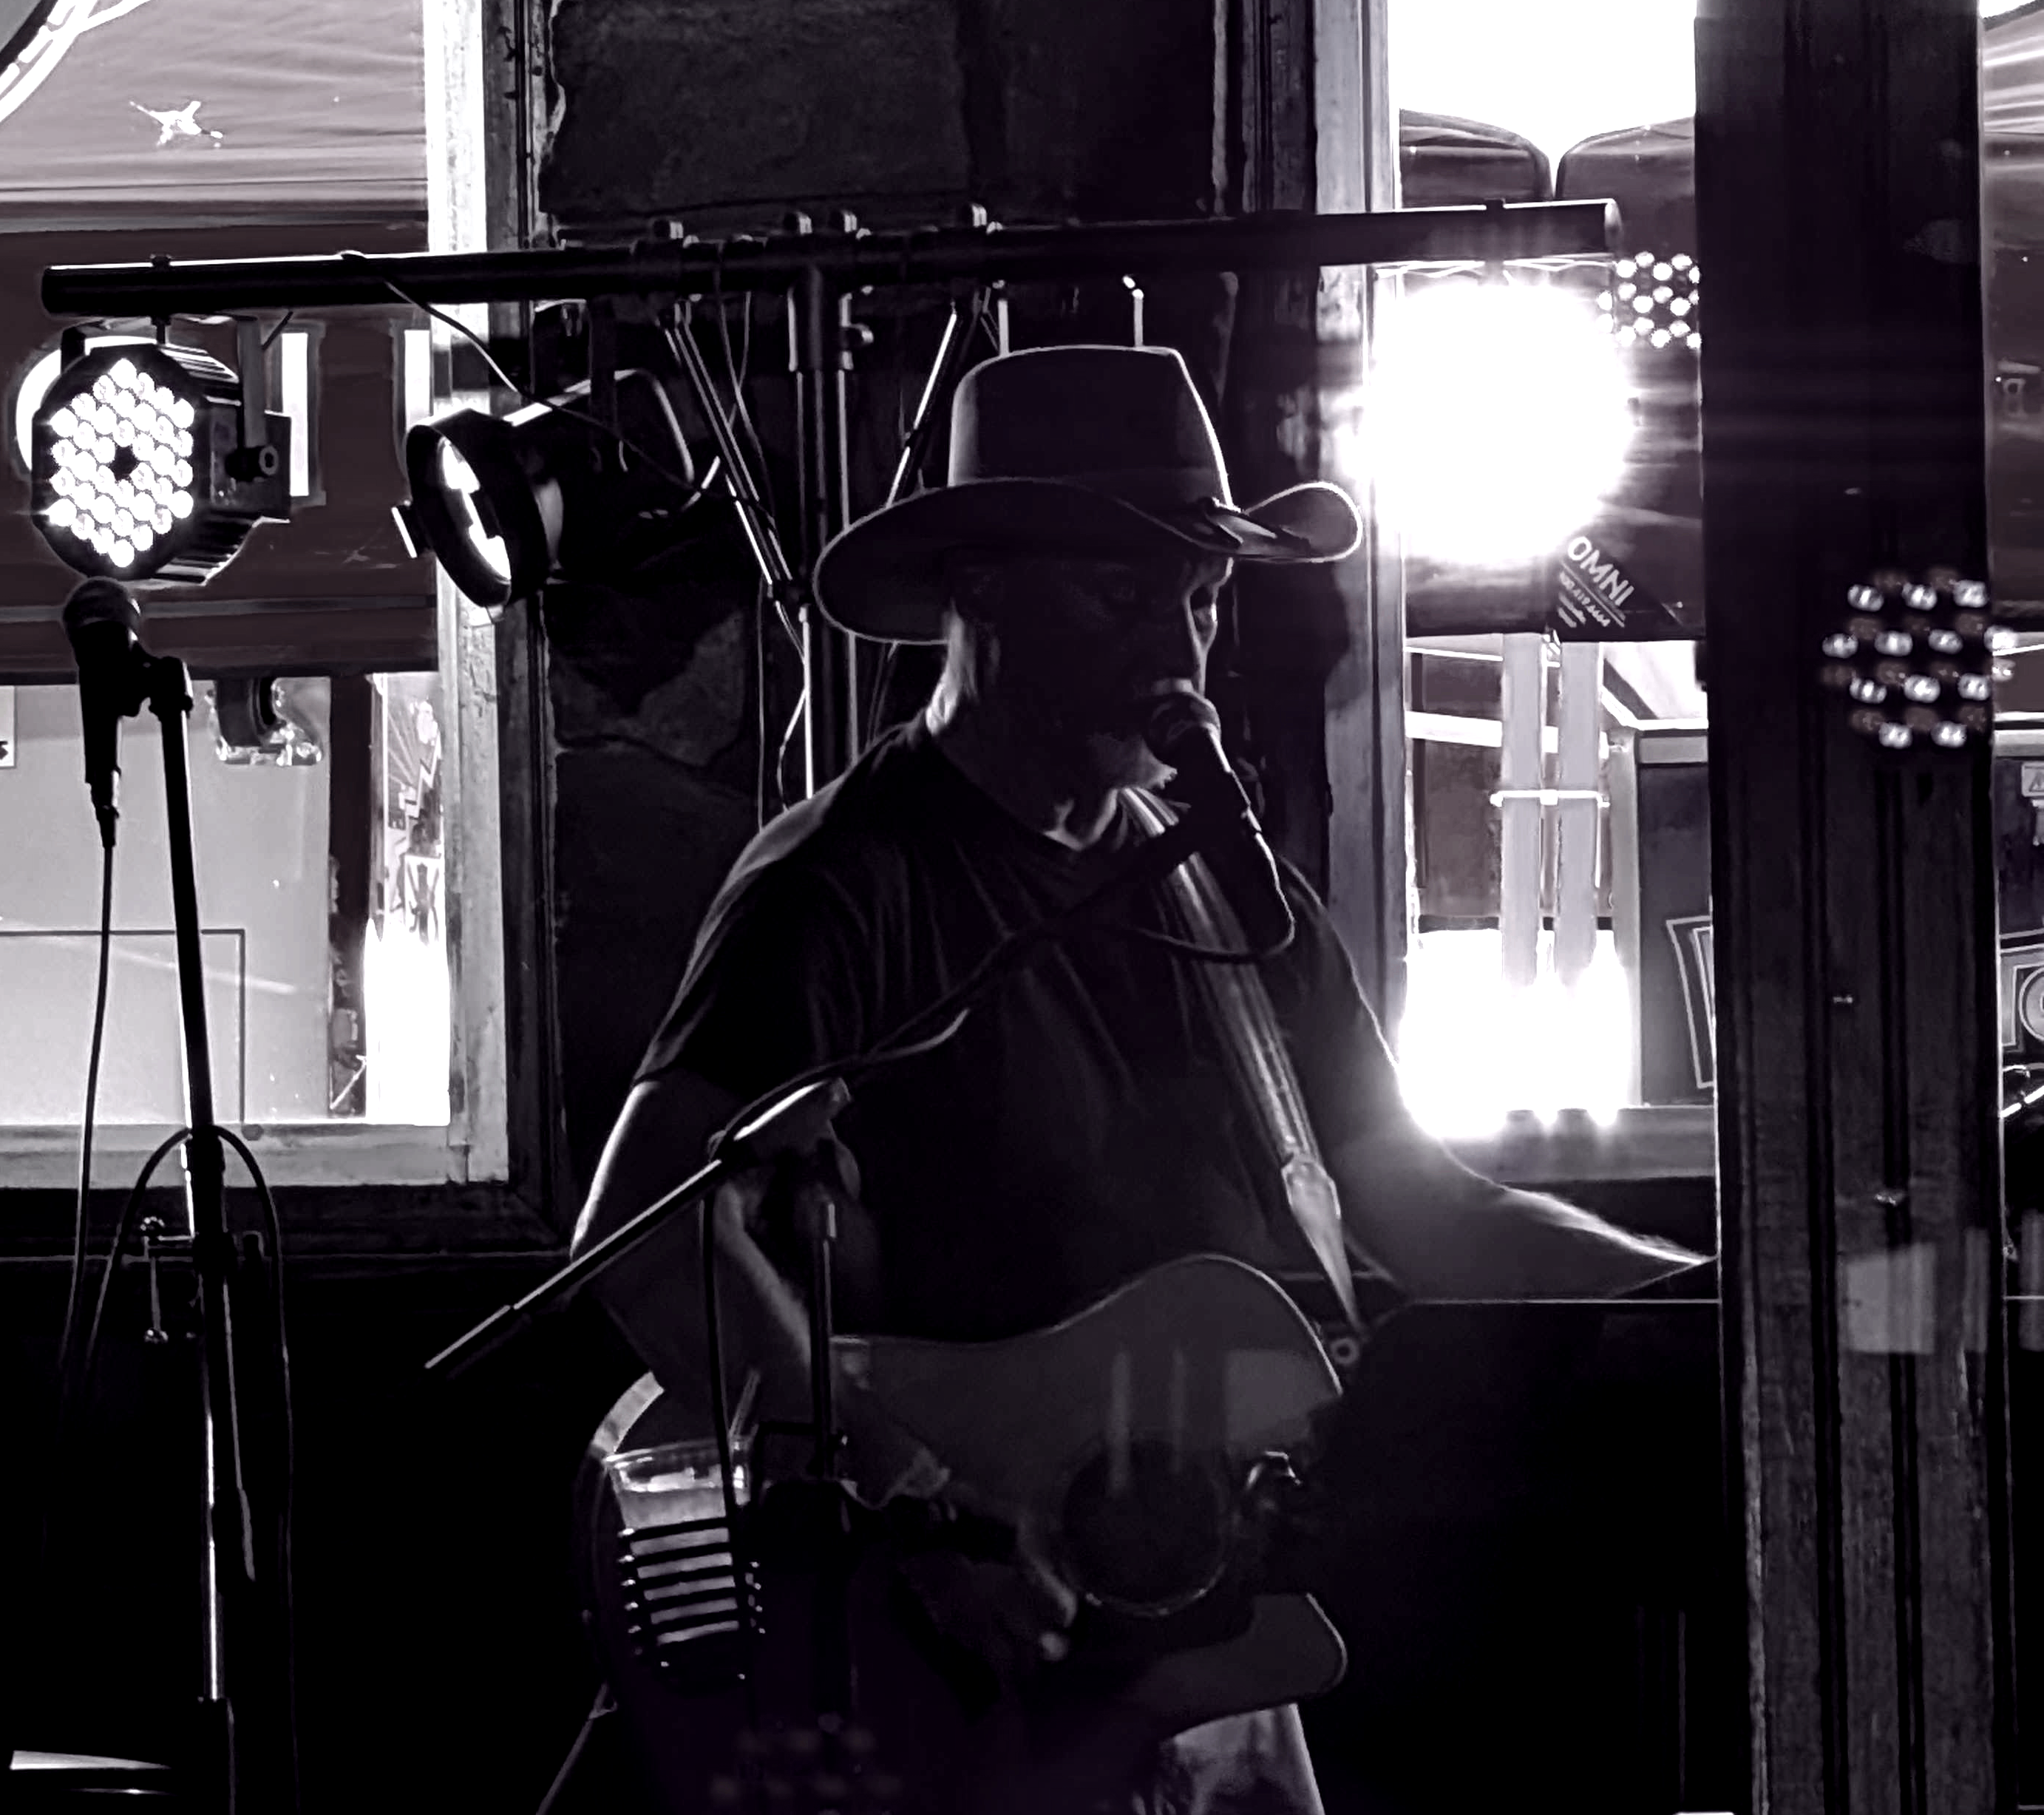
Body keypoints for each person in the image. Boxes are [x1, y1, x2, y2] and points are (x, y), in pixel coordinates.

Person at [571, 344, 1706, 1814]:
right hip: (963, 1636)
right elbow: (649, 1230)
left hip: (1195, 1616)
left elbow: (1416, 1202)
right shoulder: (844, 877)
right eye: (1121, 591)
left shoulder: (1228, 889)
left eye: (1201, 595)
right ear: (979, 589)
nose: (1177, 648)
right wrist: (916, 1506)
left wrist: (1703, 1305)